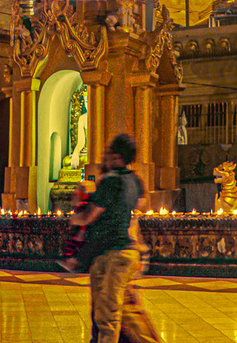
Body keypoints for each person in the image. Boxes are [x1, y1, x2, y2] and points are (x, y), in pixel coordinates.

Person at [71, 133, 163, 343]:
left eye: (110, 152)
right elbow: (138, 208)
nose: (106, 156)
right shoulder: (135, 180)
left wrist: (75, 217)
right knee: (128, 312)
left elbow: (91, 216)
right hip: (128, 252)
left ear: (118, 156)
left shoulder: (111, 182)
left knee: (107, 317)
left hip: (112, 255)